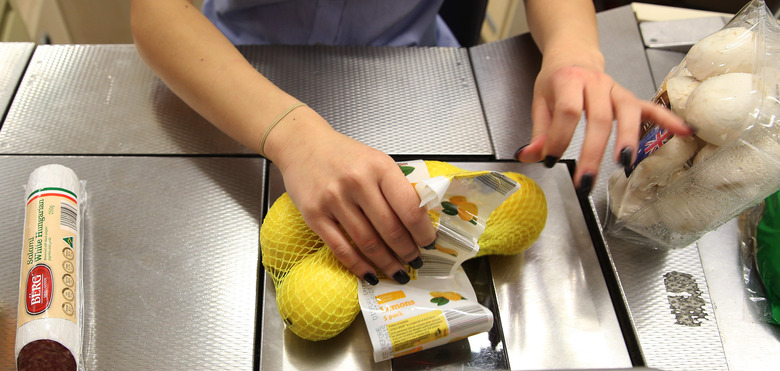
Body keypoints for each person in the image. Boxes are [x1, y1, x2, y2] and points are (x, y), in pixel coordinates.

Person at [130, 0, 692, 286]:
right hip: (228, 79)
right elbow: (155, 10)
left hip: (418, 78)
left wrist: (573, 49)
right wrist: (294, 138)